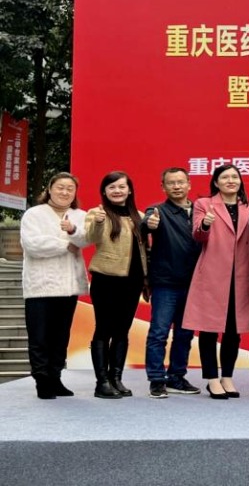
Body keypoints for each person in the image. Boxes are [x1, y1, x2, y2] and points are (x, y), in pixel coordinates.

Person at [183, 163, 249, 399]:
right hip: (213, 275)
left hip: (242, 275)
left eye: (235, 176)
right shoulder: (204, 204)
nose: (231, 181)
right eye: (225, 177)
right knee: (209, 329)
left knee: (234, 331)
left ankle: (227, 377)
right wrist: (205, 223)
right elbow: (198, 235)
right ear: (216, 182)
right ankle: (212, 379)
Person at [20, 173, 88, 399]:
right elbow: (33, 244)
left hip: (68, 286)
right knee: (39, 336)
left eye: (70, 188)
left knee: (61, 337)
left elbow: (86, 239)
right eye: (60, 187)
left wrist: (74, 232)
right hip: (40, 286)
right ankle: (42, 380)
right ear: (49, 189)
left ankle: (55, 377)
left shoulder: (80, 215)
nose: (65, 192)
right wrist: (67, 244)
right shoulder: (34, 214)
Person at [85, 171, 148, 399]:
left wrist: (146, 279)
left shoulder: (139, 216)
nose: (117, 191)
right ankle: (101, 382)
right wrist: (98, 223)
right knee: (103, 329)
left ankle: (116, 378)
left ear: (129, 190)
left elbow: (144, 250)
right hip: (106, 279)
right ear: (104, 192)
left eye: (122, 186)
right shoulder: (97, 213)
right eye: (112, 187)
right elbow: (91, 237)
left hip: (133, 282)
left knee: (122, 330)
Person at [142, 167, 202, 398]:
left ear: (189, 184)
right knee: (159, 333)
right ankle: (156, 379)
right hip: (165, 283)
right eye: (171, 183)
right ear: (163, 187)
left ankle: (177, 377)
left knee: (185, 334)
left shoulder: (200, 211)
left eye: (180, 182)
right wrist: (149, 223)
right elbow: (145, 224)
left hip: (194, 283)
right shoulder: (157, 210)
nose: (176, 186)